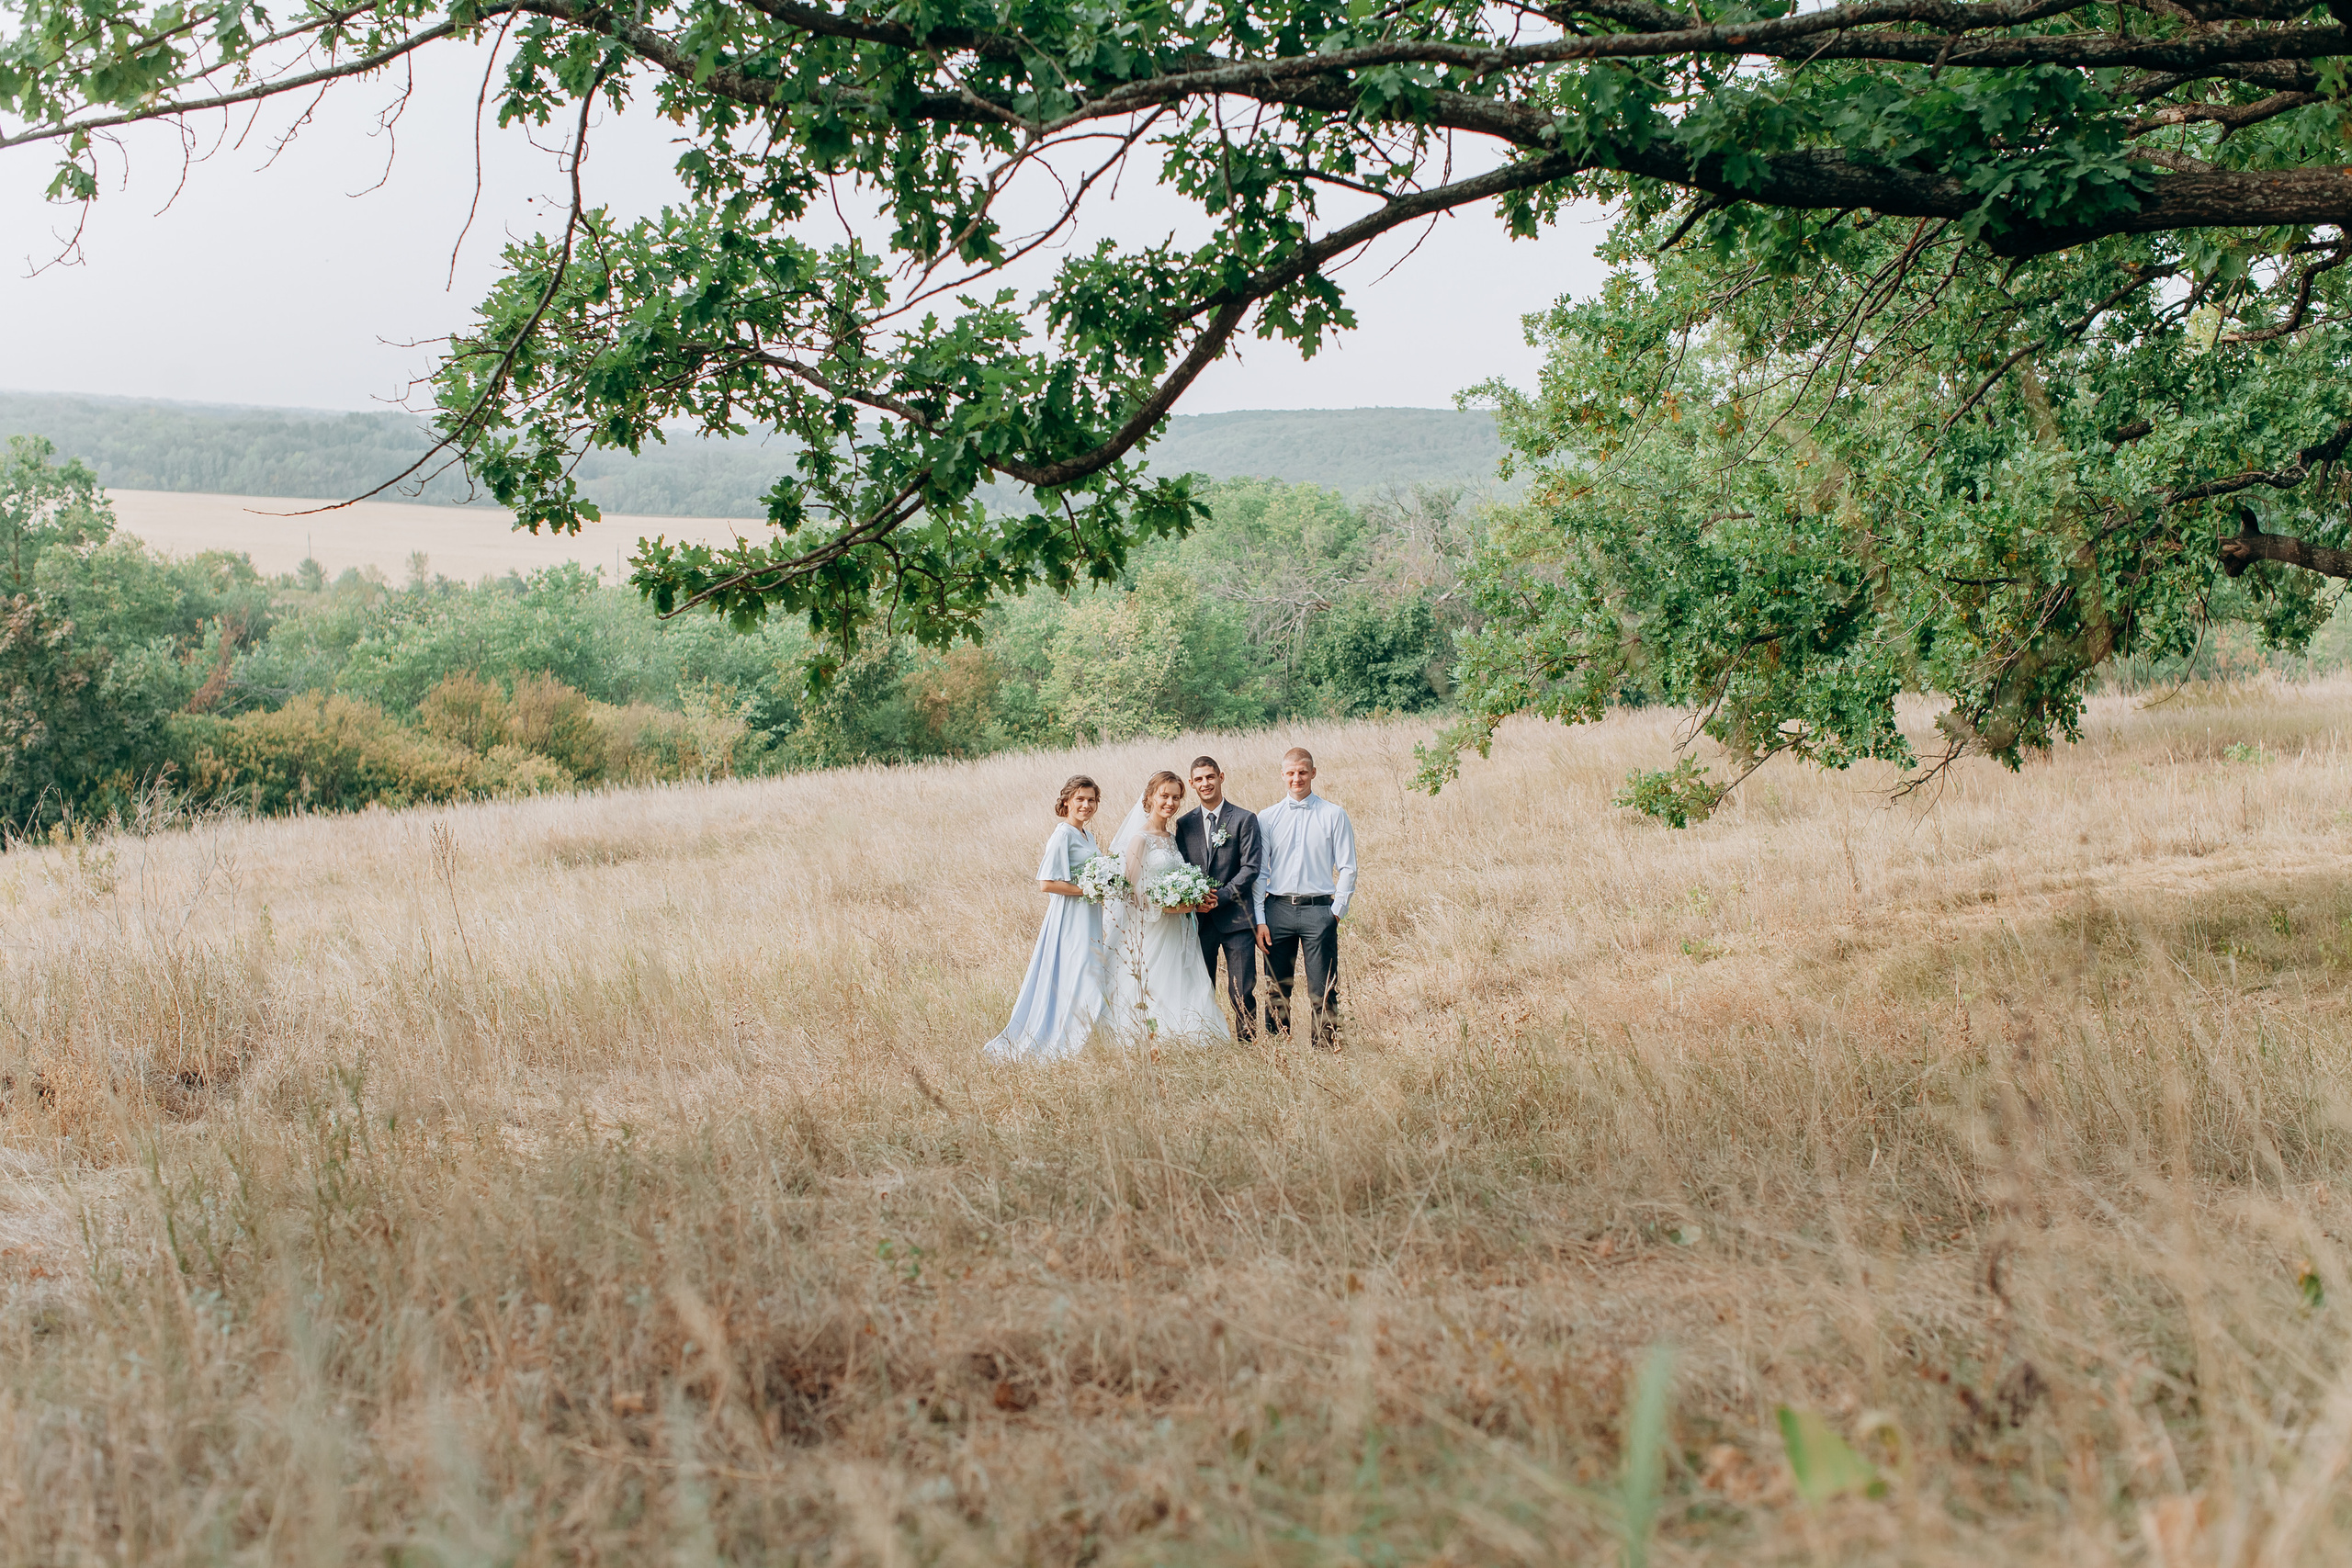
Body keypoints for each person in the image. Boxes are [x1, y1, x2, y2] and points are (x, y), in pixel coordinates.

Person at [983, 775, 1112, 1061]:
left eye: (1091, 800)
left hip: (1088, 914)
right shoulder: (1063, 835)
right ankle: (1066, 1040)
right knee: (1080, 972)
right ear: (1066, 801)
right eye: (1080, 799)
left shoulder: (1086, 836)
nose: (1086, 805)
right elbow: (1046, 882)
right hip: (1070, 916)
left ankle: (1083, 1038)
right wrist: (1087, 889)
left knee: (1085, 972)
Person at [1103, 771, 1232, 1045]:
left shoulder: (1171, 838)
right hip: (1153, 927)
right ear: (1150, 797)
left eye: (1176, 797)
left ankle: (1189, 1033)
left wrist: (1193, 900)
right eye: (1164, 796)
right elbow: (1131, 892)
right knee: (1155, 982)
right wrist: (1172, 908)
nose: (1170, 803)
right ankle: (1154, 1036)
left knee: (1183, 979)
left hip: (1180, 926)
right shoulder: (1140, 839)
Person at [1253, 747, 1356, 1051]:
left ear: (1313, 773)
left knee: (1323, 989)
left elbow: (1348, 867)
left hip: (1318, 911)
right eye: (1290, 773)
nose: (1296, 778)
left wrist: (1336, 911)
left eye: (1302, 772)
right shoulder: (1267, 818)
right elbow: (1260, 872)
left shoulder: (1334, 814)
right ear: (1282, 775)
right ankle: (1278, 1050)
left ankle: (1327, 1052)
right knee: (1276, 988)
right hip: (1277, 910)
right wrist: (1260, 919)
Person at [1173, 754, 1262, 1041]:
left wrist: (1220, 896)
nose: (1205, 783)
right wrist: (1194, 898)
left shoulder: (1244, 819)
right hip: (1200, 921)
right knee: (1202, 986)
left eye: (1210, 777)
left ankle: (1248, 1046)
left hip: (1237, 919)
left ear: (1221, 777)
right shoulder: (1184, 824)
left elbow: (1251, 868)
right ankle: (1206, 1042)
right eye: (1199, 779)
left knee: (1242, 989)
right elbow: (1181, 867)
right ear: (1191, 783)